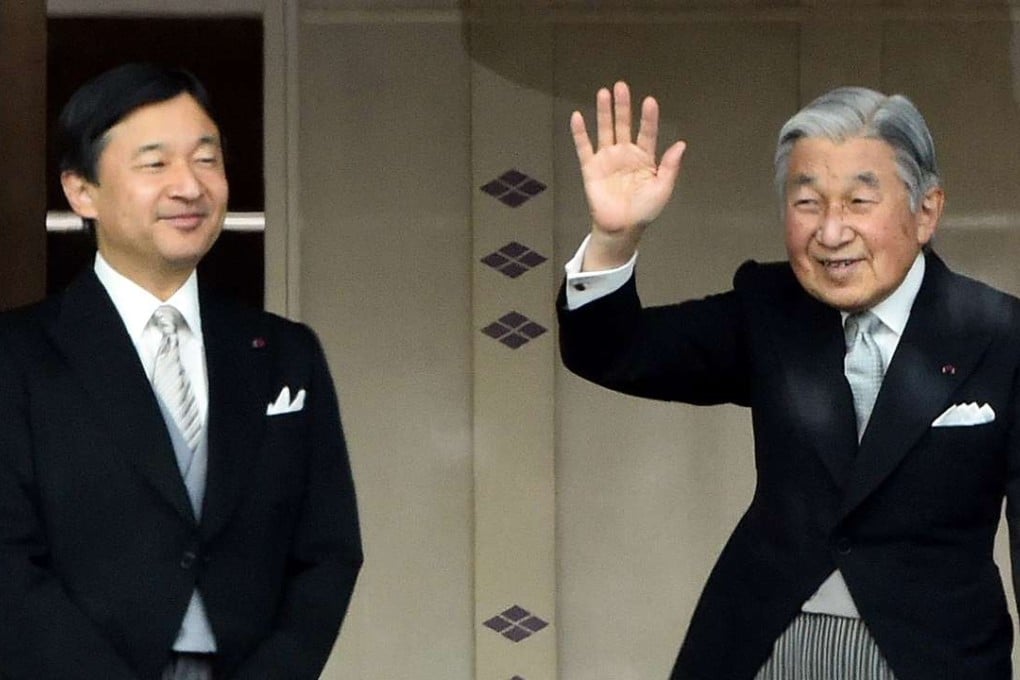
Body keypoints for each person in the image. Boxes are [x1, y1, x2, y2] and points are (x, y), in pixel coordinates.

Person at [558, 81, 1020, 679]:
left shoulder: (999, 335)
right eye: (807, 203)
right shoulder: (770, 310)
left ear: (926, 211)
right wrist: (615, 237)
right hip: (765, 648)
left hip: (933, 659)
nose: (831, 232)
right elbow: (611, 351)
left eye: (859, 202)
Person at [0, 63, 362, 680]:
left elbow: (328, 549)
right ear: (81, 191)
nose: (190, 186)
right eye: (155, 164)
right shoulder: (18, 356)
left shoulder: (285, 352)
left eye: (206, 160)